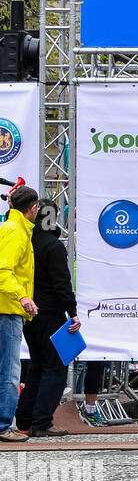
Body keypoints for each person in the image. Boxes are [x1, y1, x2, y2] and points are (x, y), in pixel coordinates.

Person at [14, 196, 78, 438]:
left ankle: (25, 419)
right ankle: (42, 421)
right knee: (56, 367)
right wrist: (72, 313)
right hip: (51, 313)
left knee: (37, 367)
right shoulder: (53, 246)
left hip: (28, 313)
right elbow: (62, 284)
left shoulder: (26, 241)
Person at [0, 185, 38, 442]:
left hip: (8, 308)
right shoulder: (16, 232)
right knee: (10, 372)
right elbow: (3, 271)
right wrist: (23, 296)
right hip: (8, 310)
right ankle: (3, 426)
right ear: (32, 208)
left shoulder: (12, 229)